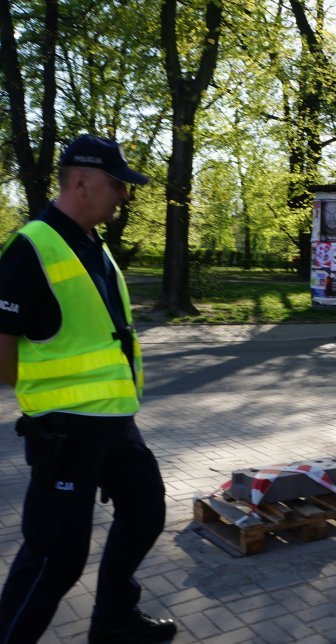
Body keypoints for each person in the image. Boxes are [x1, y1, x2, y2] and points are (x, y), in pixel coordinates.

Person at [0, 134, 177, 643]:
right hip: (66, 433)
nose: (123, 195)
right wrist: (43, 400)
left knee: (145, 512)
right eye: (115, 184)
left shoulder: (92, 244)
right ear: (81, 181)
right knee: (56, 557)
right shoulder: (32, 246)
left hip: (115, 424)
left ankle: (115, 622)